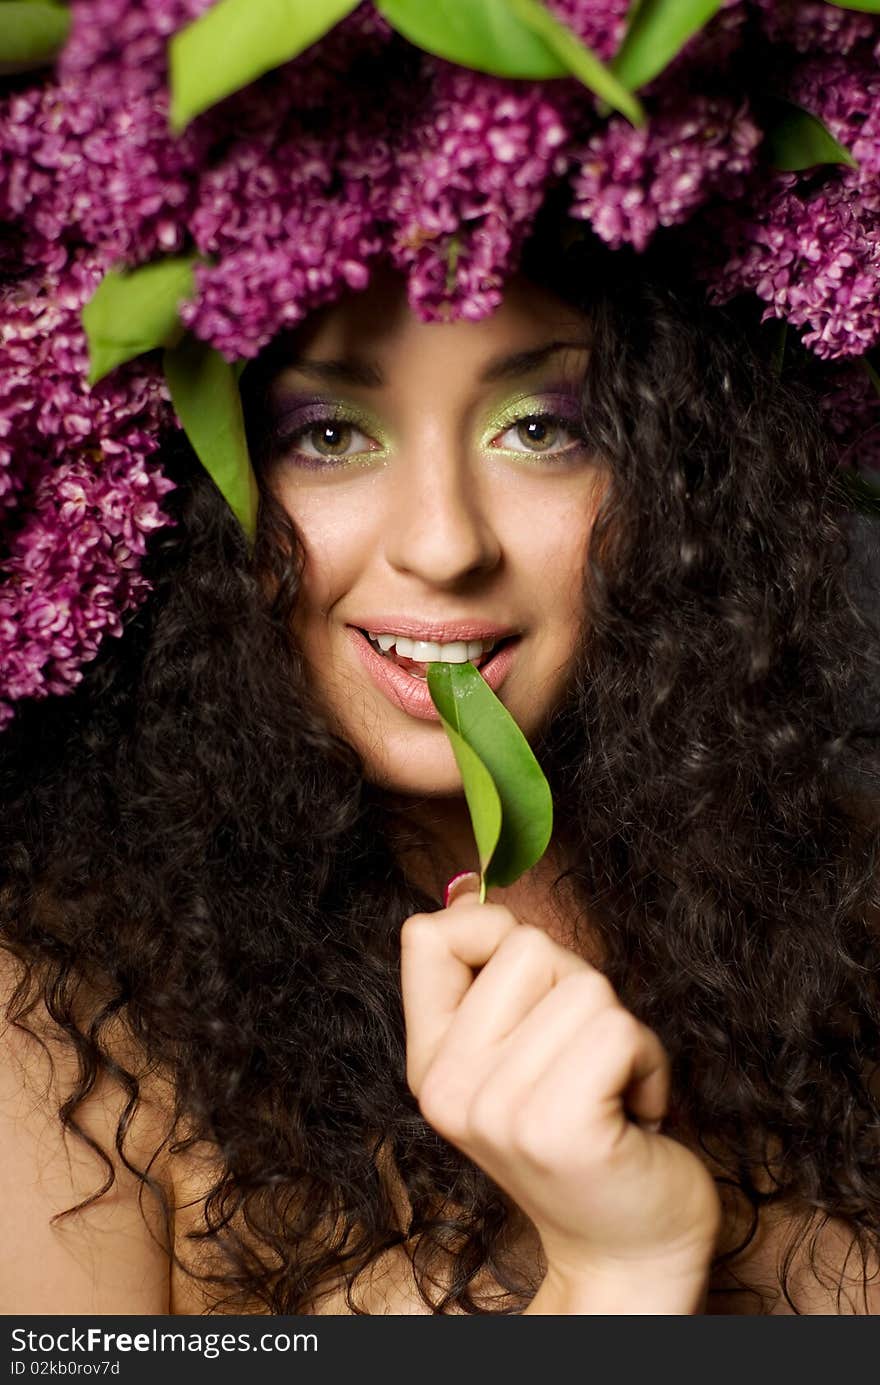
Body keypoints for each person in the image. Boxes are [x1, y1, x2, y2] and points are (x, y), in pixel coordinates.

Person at [2, 215, 880, 1315]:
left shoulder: (848, 901)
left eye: (540, 428)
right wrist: (615, 1274)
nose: (445, 542)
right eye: (326, 434)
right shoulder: (52, 1033)